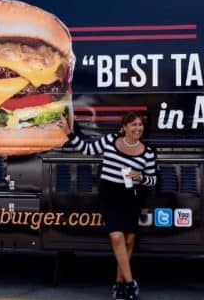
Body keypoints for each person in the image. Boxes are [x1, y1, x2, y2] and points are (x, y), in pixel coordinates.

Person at [69, 112, 157, 300]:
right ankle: (131, 283)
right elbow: (86, 149)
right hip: (110, 196)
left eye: (140, 125)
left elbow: (152, 180)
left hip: (132, 198)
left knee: (128, 242)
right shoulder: (110, 140)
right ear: (124, 127)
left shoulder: (147, 151)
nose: (137, 129)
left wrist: (140, 177)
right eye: (133, 125)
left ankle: (119, 285)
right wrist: (69, 133)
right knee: (117, 237)